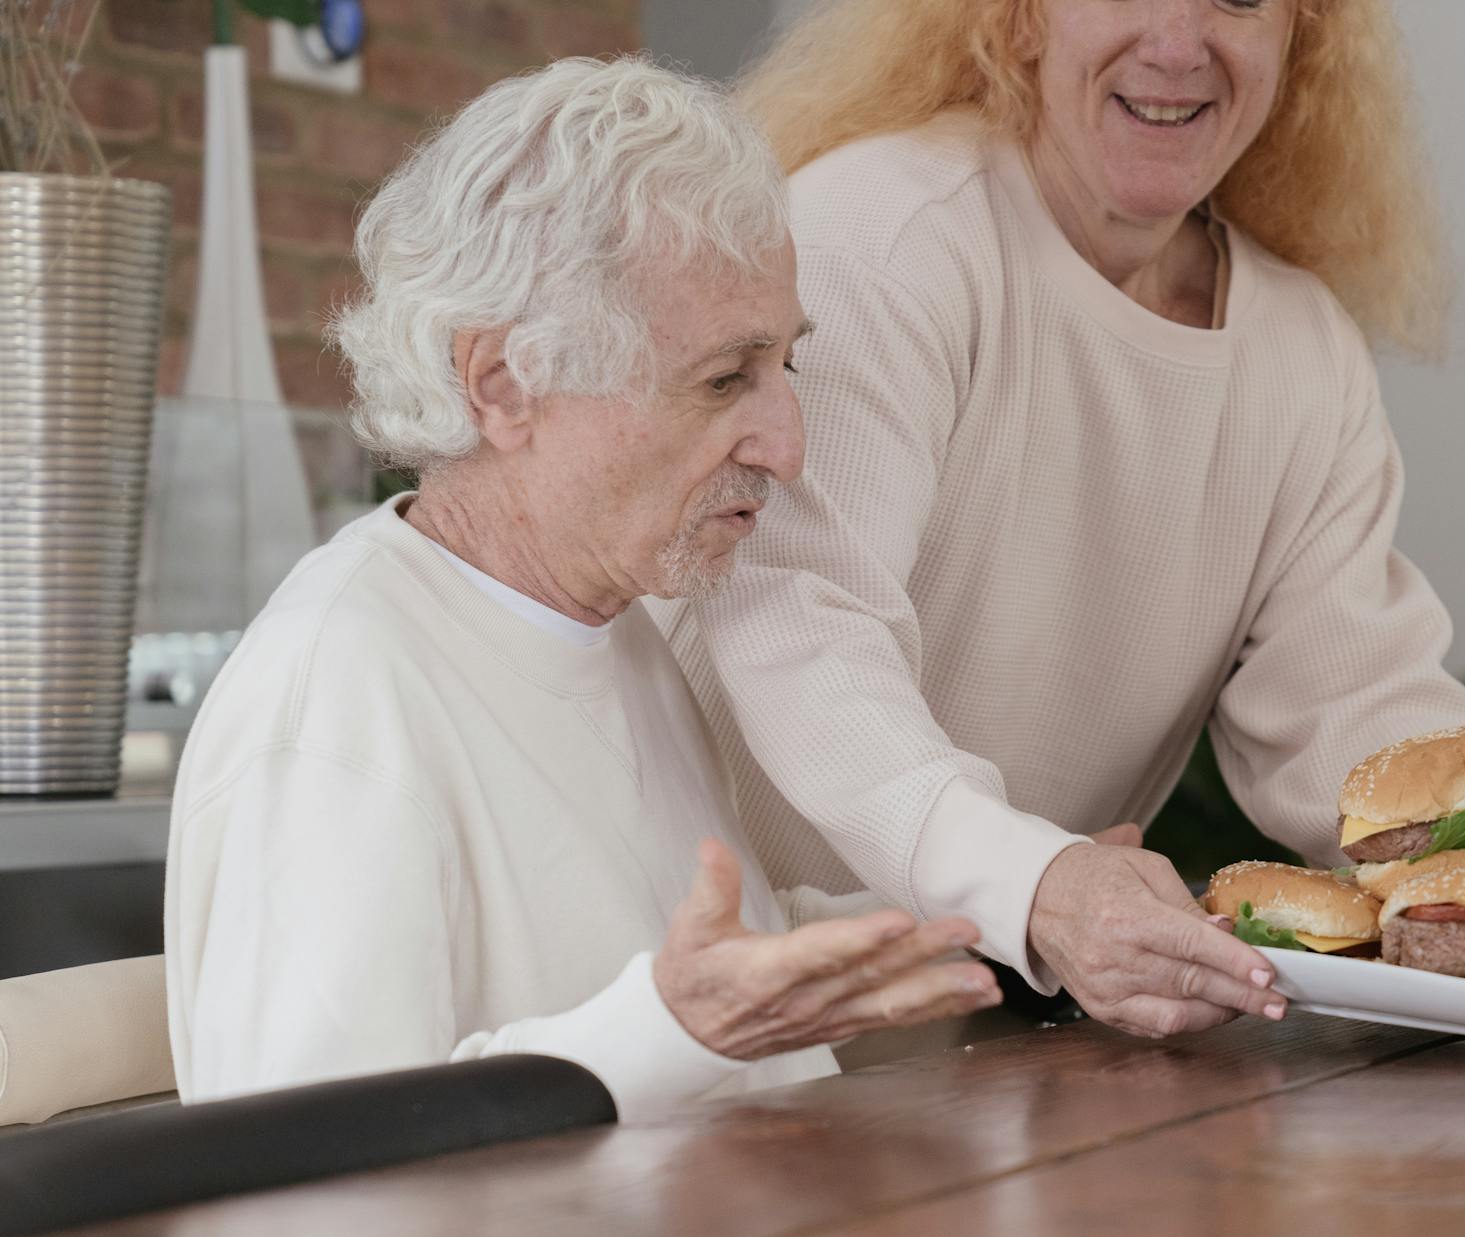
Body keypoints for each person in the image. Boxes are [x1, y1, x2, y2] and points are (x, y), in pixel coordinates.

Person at [164, 57, 1001, 1122]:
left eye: (787, 364)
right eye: (723, 378)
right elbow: (292, 1185)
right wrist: (674, 1028)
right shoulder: (336, 693)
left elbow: (670, 957)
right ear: (505, 385)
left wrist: (1009, 903)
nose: (789, 445)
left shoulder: (614, 623)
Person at [653, 0, 1465, 1039]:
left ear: (1300, 40)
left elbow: (1351, 700)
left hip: (997, 1031)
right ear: (1019, 18)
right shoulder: (878, 235)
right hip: (724, 1011)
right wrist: (1036, 885)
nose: (1179, 46)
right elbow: (798, 627)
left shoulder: (1304, 351)